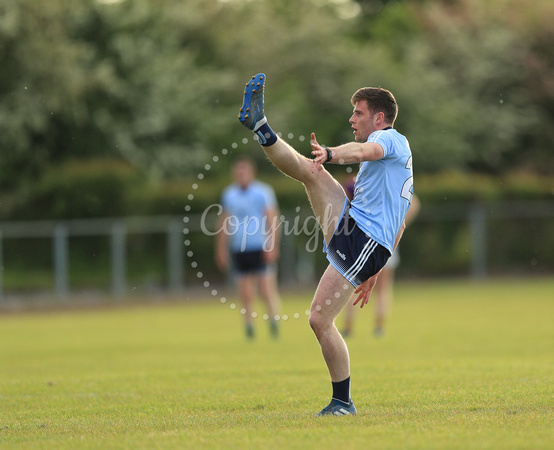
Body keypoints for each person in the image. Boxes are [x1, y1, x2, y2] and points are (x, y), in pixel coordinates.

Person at [238, 73, 414, 416]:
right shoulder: (394, 154)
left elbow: (364, 150)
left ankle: (343, 402)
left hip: (363, 238)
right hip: (361, 233)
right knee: (311, 171)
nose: (352, 119)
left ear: (379, 118)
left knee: (319, 319)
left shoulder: (389, 139)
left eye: (358, 113)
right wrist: (375, 269)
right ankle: (260, 126)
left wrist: (331, 152)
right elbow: (401, 219)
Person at [215, 156, 281, 339]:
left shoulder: (262, 192)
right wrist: (220, 249)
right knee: (245, 292)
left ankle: (273, 321)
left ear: (251, 172)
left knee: (266, 289)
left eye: (244, 170)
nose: (241, 174)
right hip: (239, 247)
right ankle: (249, 326)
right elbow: (224, 222)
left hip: (260, 245)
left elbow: (272, 219)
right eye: (238, 171)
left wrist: (272, 245)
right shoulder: (229, 194)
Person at [341, 194, 420, 338]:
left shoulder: (364, 183)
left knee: (354, 285)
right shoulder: (394, 187)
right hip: (388, 239)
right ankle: (378, 326)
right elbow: (414, 203)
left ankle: (348, 326)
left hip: (364, 240)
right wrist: (398, 224)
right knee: (383, 288)